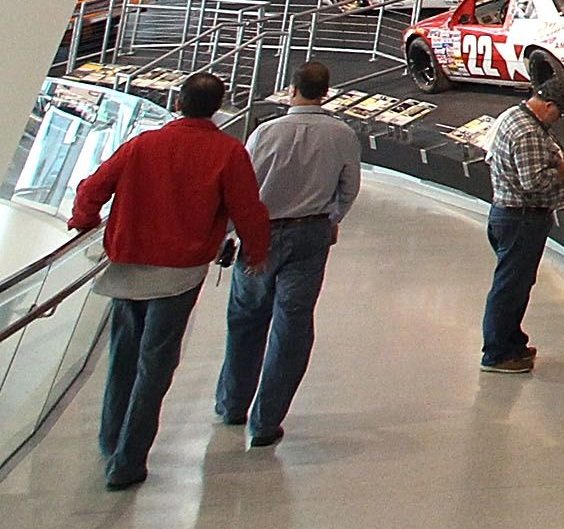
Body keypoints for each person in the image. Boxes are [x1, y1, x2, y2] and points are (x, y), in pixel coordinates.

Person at [67, 71, 269, 491]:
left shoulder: (143, 144)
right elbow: (248, 209)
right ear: (217, 107)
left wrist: (83, 221)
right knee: (156, 365)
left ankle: (111, 443)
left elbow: (93, 188)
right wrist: (255, 252)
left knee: (123, 357)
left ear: (178, 103)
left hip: (129, 267)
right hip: (180, 274)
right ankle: (129, 458)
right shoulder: (228, 153)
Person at [215, 61, 361, 446]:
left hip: (260, 235)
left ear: (292, 90)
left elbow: (243, 188)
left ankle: (232, 403)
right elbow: (348, 189)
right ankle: (266, 420)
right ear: (325, 93)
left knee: (246, 319)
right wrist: (330, 218)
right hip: (311, 235)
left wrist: (228, 232)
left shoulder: (265, 133)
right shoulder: (342, 134)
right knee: (292, 325)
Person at [479, 78, 564, 374]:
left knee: (516, 284)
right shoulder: (527, 133)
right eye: (559, 113)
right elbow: (533, 181)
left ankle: (511, 343)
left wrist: (557, 159)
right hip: (521, 220)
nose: (558, 119)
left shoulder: (513, 116)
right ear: (548, 105)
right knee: (510, 288)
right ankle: (497, 354)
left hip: (510, 217)